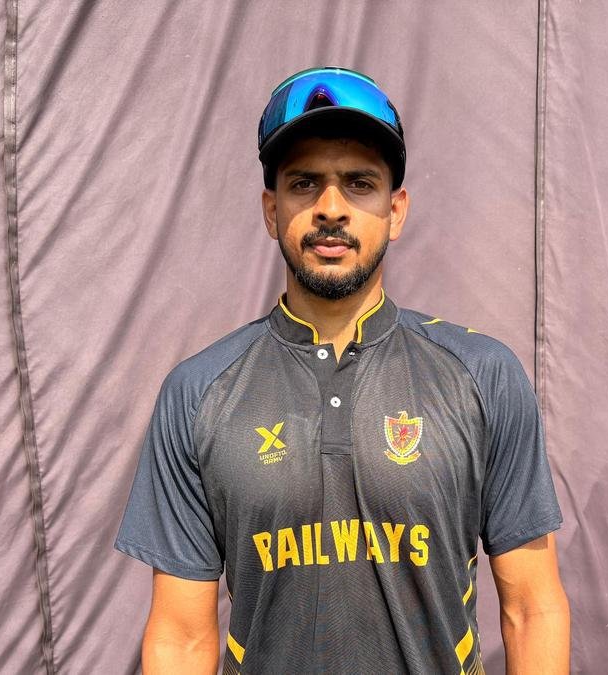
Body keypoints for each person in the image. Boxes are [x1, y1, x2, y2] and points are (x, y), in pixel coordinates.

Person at [116, 66, 570, 674]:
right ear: (271, 210)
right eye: (304, 184)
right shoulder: (197, 394)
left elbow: (532, 609)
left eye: (359, 183)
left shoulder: (484, 376)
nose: (330, 208)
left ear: (396, 210)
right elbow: (180, 636)